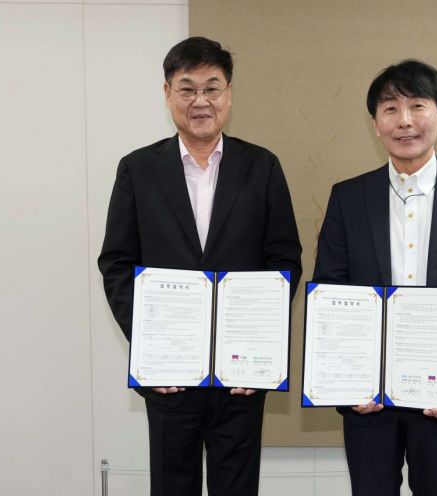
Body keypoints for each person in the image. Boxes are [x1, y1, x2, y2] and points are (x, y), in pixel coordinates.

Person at [98, 36, 302, 496]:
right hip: (170, 378)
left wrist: (258, 350)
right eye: (187, 88)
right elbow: (117, 264)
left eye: (212, 88)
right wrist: (150, 350)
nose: (200, 101)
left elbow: (284, 261)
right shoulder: (137, 169)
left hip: (240, 378)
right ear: (167, 93)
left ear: (229, 93)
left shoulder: (263, 166)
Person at [312, 60, 437, 496]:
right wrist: (349, 377)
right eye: (390, 109)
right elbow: (329, 292)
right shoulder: (348, 198)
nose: (404, 120)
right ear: (375, 124)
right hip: (369, 403)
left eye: (417, 106)